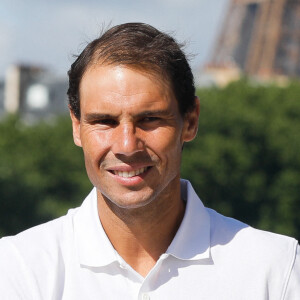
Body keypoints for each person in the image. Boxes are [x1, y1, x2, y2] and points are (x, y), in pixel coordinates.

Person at [0, 23, 299, 299]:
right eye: (104, 121)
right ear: (76, 127)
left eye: (150, 119)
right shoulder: (18, 269)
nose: (127, 146)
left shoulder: (276, 270)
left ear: (191, 121)